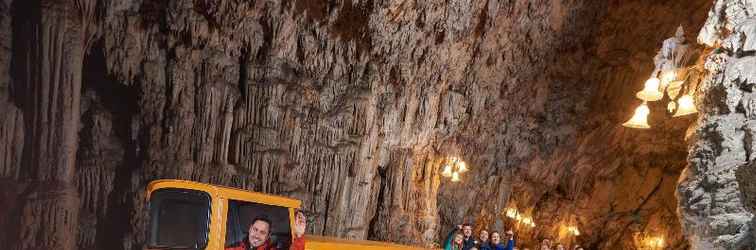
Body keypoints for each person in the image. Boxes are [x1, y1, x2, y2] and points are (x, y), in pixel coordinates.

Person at [225, 210, 306, 250]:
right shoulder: (235, 248)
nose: (257, 235)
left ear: (268, 236)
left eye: (262, 232)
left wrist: (299, 235)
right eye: (255, 229)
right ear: (250, 229)